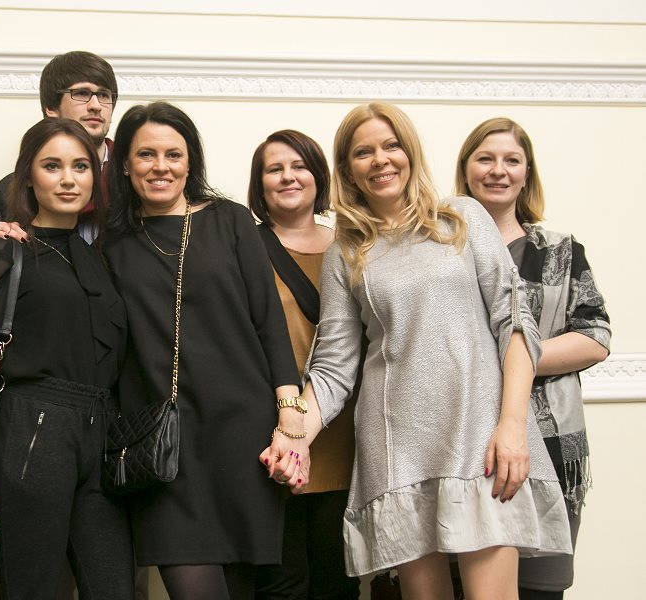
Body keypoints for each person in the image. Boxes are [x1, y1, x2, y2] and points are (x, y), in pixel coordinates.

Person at [262, 102, 573, 600]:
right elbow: (335, 365)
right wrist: (295, 435)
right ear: (347, 169)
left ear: (410, 151)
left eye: (391, 146)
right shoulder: (347, 249)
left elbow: (515, 324)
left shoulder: (463, 217)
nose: (380, 160)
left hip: (480, 433)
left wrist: (512, 426)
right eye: (363, 152)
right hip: (396, 447)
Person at [100, 101, 300, 600]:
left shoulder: (230, 220)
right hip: (161, 443)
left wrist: (289, 412)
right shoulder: (112, 242)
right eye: (146, 154)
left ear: (190, 162)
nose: (161, 166)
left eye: (173, 154)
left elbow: (268, 322)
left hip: (241, 437)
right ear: (124, 164)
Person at [0, 118, 134, 599]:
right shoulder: (5, 251)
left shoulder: (98, 256)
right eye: (52, 166)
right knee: (35, 588)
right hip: (33, 428)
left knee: (115, 588)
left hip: (100, 432)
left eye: (81, 166)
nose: (68, 179)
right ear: (28, 178)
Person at [454, 117, 610, 599]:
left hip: (550, 439)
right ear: (465, 169)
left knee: (541, 589)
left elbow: (595, 335)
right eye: (485, 158)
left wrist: (511, 359)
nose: (498, 170)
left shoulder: (560, 251)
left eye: (511, 160)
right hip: (463, 441)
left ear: (527, 174)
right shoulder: (441, 251)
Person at [247, 130, 360, 600]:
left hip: (346, 432)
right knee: (283, 584)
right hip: (273, 433)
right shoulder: (244, 247)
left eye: (300, 166)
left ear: (319, 176)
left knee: (340, 583)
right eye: (274, 169)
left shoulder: (354, 246)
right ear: (259, 183)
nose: (288, 177)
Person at [0, 50, 118, 243]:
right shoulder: (9, 190)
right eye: (81, 93)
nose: (96, 105)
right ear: (51, 107)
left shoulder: (133, 179)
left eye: (103, 95)